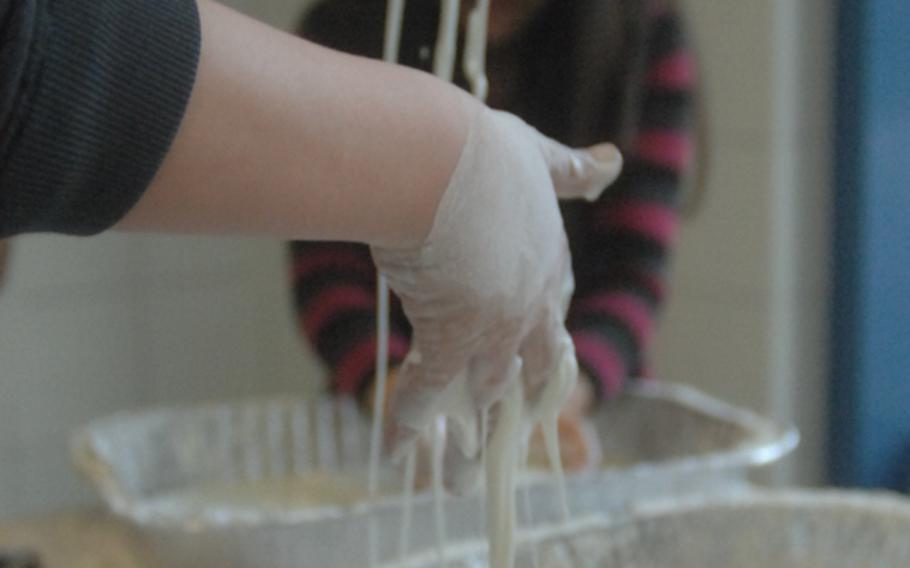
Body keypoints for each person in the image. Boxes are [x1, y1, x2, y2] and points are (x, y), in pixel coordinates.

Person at [0, 0, 621, 484]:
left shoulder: (630, 41)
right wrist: (449, 162)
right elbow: (36, 63)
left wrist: (563, 390)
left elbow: (37, 60)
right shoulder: (350, 23)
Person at [290, 0, 698, 468]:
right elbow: (325, 264)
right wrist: (390, 389)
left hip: (580, 422)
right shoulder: (348, 24)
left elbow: (634, 271)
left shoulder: (638, 29)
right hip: (384, 420)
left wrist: (559, 394)